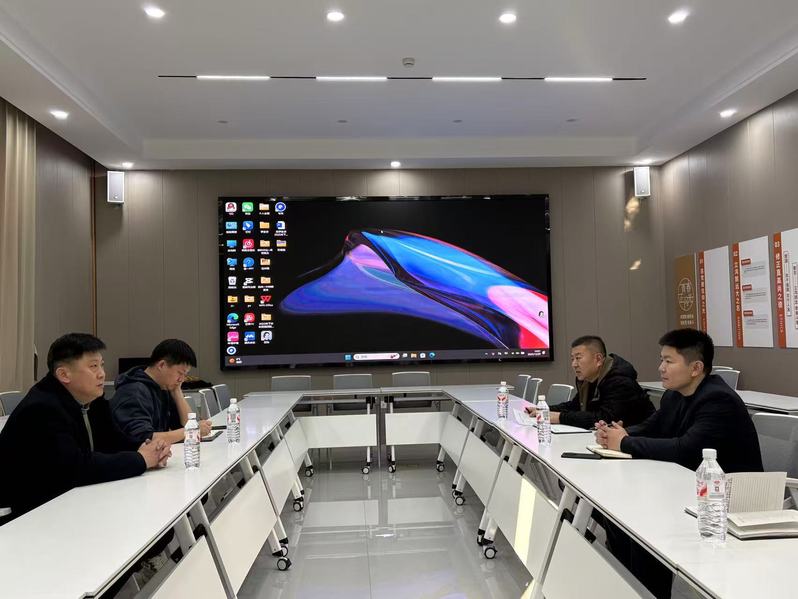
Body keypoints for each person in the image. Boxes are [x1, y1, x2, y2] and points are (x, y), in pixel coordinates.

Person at [594, 328, 763, 599]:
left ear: (696, 368)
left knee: (644, 525)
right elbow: (651, 427)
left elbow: (686, 449)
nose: (660, 368)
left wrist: (623, 443)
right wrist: (615, 433)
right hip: (690, 491)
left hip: (728, 503)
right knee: (620, 518)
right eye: (661, 359)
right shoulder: (674, 395)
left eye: (669, 361)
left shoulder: (717, 399)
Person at [0, 333, 170, 519]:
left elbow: (113, 439)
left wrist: (147, 448)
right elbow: (75, 467)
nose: (102, 373)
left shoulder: (92, 399)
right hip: (35, 513)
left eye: (101, 365)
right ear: (64, 374)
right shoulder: (42, 408)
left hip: (76, 500)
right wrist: (141, 459)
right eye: (93, 366)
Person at [525, 335, 654, 428]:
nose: (574, 364)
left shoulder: (620, 382)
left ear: (598, 359)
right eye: (572, 359)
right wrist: (543, 409)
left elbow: (604, 418)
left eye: (578, 358)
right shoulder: (588, 380)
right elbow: (575, 406)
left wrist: (559, 417)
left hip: (638, 444)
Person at [111, 339, 211, 445]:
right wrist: (192, 431)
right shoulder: (134, 392)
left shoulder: (163, 387)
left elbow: (185, 425)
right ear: (162, 365)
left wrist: (177, 392)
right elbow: (144, 438)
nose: (182, 379)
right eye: (180, 373)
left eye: (185, 375)